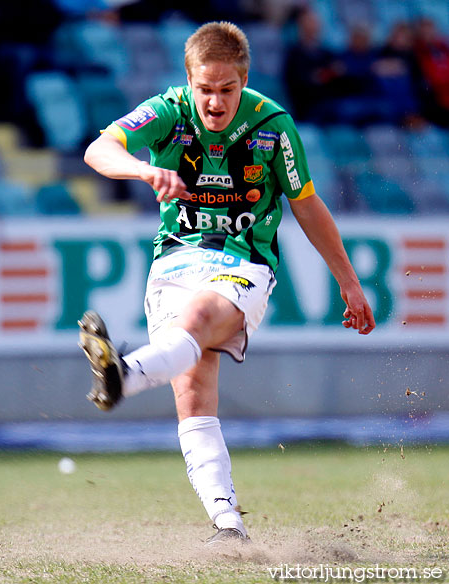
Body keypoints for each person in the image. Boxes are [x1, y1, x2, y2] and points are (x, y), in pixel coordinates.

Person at [78, 21, 375, 544]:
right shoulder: (168, 111)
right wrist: (144, 172)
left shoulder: (273, 127)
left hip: (243, 260)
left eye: (227, 89)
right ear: (188, 81)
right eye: (205, 90)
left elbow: (305, 203)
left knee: (194, 323)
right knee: (191, 389)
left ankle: (123, 372)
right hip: (176, 259)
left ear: (245, 80)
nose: (215, 102)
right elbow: (99, 151)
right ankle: (227, 524)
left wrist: (348, 283)